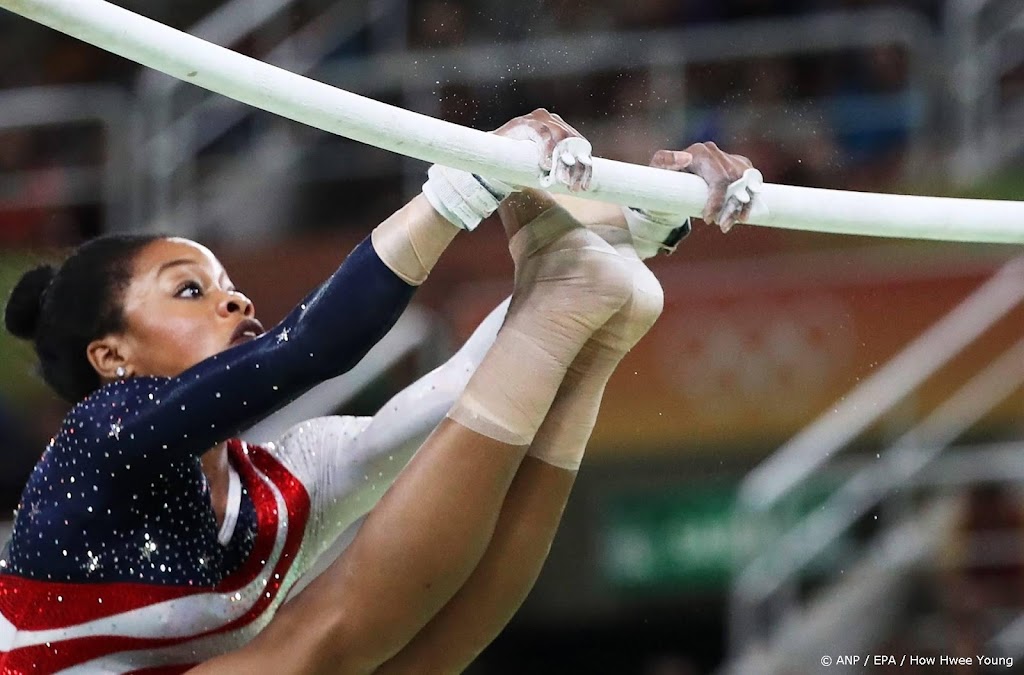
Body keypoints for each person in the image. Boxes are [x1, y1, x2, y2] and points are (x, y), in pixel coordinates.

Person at [0, 109, 754, 673]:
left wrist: (635, 230)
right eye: (190, 290)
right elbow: (314, 345)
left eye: (231, 288)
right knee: (317, 644)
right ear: (112, 356)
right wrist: (463, 187)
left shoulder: (286, 479)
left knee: (428, 651)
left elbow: (477, 386)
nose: (235, 304)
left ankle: (599, 297)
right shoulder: (95, 448)